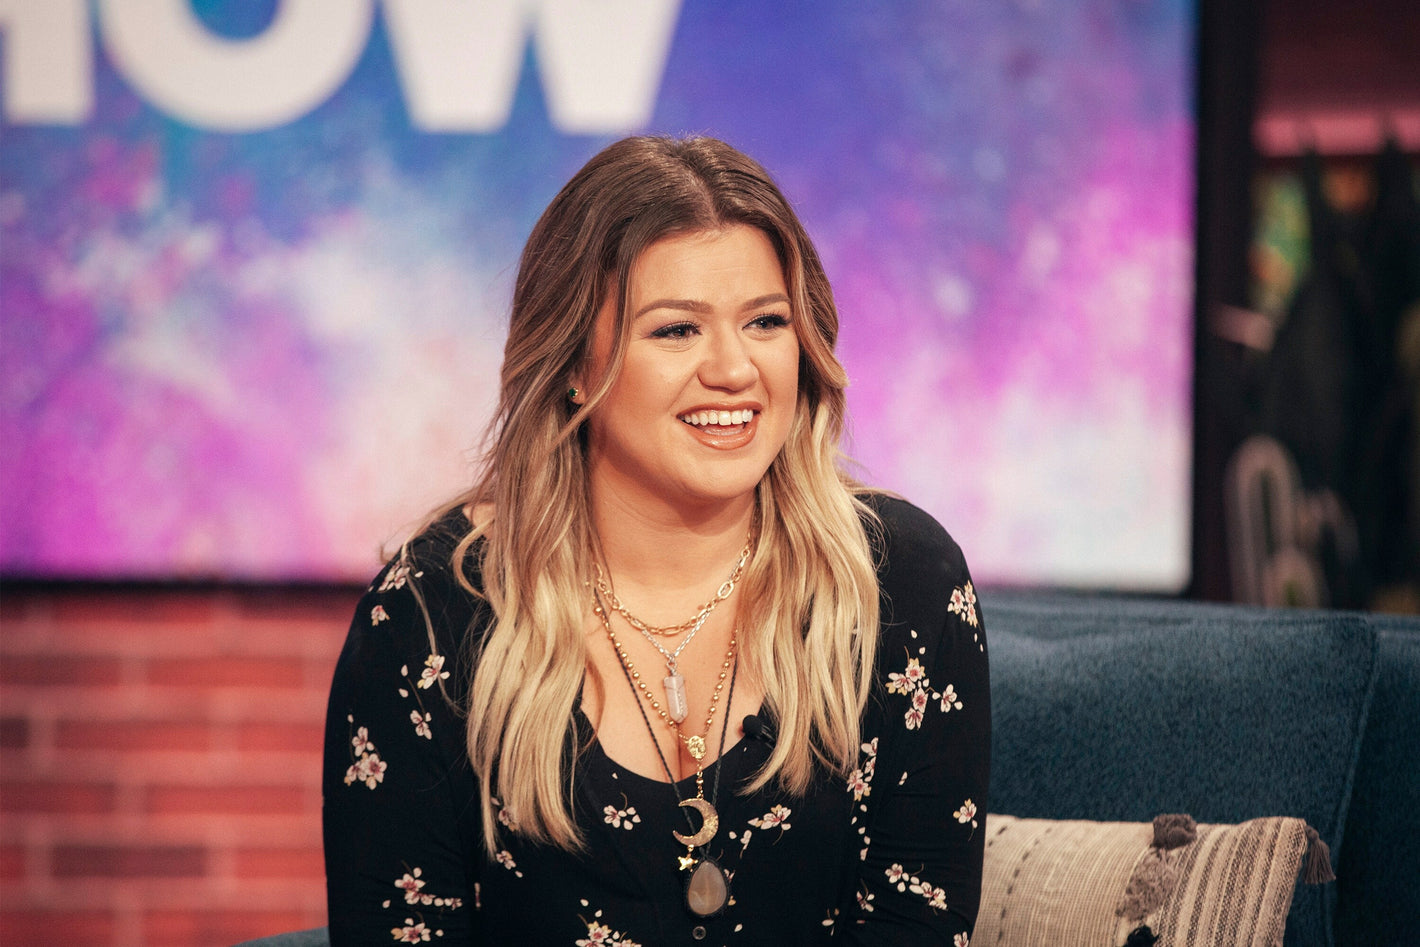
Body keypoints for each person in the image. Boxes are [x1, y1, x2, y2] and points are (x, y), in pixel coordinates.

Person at [322, 135, 989, 945]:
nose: (734, 369)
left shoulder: (901, 584)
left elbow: (916, 923)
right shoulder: (432, 614)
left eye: (766, 321)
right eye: (676, 330)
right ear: (573, 362)